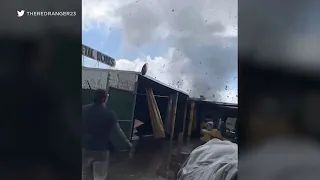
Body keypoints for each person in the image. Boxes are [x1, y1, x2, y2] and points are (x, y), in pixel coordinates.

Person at [82, 89, 132, 180]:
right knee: (99, 176)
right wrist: (128, 144)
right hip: (101, 150)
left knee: (83, 174)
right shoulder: (110, 114)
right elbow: (118, 131)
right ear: (105, 99)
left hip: (85, 148)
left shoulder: (83, 110)